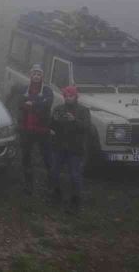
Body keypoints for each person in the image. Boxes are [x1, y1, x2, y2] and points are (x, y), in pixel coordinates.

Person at [11, 64, 54, 195]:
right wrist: (35, 104)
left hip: (42, 129)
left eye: (39, 74)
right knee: (26, 157)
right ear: (30, 75)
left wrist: (32, 104)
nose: (36, 76)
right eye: (34, 74)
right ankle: (28, 185)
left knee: (47, 157)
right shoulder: (25, 89)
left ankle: (52, 184)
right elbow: (19, 104)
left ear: (42, 76)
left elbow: (46, 105)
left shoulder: (47, 90)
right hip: (26, 129)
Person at [49, 86, 90, 214]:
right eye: (66, 96)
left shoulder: (83, 111)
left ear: (76, 96)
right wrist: (54, 120)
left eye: (70, 96)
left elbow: (86, 128)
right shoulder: (58, 109)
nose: (68, 98)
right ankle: (56, 195)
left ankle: (76, 200)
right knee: (54, 172)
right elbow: (51, 127)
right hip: (59, 146)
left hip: (75, 148)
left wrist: (74, 120)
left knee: (75, 175)